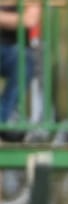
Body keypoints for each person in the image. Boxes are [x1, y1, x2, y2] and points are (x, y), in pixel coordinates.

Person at [0, 0, 38, 131]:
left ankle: (2, 118)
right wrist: (14, 19)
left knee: (24, 63)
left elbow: (30, 20)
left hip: (13, 49)